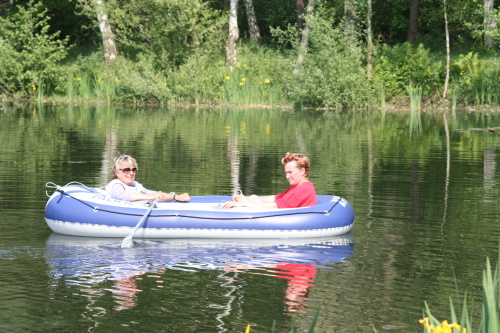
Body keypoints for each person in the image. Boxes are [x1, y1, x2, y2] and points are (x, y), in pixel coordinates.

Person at [224, 152, 317, 209]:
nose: (287, 176)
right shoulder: (298, 187)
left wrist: (243, 204)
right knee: (254, 198)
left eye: (290, 172)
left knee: (250, 202)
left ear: (302, 171)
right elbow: (275, 198)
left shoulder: (303, 189)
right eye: (286, 173)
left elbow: (275, 206)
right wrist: (251, 198)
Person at [105, 154, 190, 202]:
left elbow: (153, 193)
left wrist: (176, 197)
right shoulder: (116, 184)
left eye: (134, 170)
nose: (131, 173)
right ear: (116, 172)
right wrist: (152, 197)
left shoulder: (136, 185)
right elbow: (122, 196)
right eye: (127, 170)